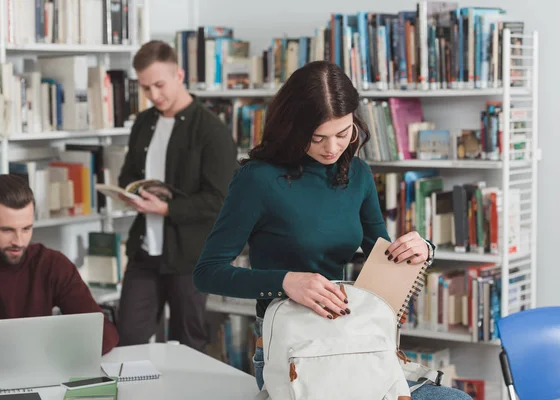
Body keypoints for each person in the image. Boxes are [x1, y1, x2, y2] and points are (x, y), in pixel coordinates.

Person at [193, 61, 471, 400]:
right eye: (317, 138)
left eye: (343, 133)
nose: (332, 148)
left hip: (352, 339)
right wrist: (285, 281)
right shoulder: (257, 180)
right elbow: (207, 273)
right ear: (294, 129)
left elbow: (381, 261)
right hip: (290, 348)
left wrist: (422, 249)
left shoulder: (359, 175)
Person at [116, 40, 237, 352]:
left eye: (159, 84)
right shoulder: (143, 122)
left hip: (190, 257)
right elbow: (128, 175)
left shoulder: (211, 130)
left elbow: (221, 200)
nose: (154, 96)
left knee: (189, 343)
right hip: (144, 251)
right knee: (127, 338)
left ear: (179, 74)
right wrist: (132, 193)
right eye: (145, 88)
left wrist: (167, 209)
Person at [0, 174, 119, 370]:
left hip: (41, 377)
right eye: (7, 230)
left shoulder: (51, 264)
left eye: (26, 228)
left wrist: (53, 352)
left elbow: (103, 333)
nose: (19, 241)